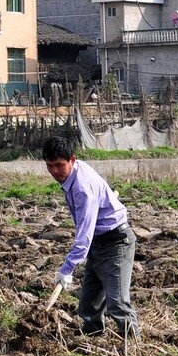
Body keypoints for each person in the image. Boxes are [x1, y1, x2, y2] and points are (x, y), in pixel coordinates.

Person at [42, 136, 139, 340]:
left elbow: (84, 235)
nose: (54, 171)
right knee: (89, 304)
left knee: (118, 303)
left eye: (59, 165)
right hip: (99, 240)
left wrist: (67, 269)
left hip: (116, 242)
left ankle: (134, 346)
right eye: (50, 166)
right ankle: (92, 339)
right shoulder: (73, 174)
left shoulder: (83, 189)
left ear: (72, 160)